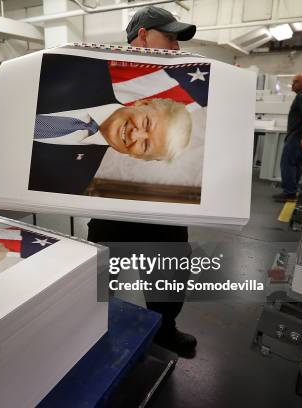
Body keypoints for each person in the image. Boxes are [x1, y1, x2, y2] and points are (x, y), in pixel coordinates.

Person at [88, 6, 198, 358]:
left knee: (171, 267)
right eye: (170, 37)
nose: (176, 47)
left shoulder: (177, 77)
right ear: (143, 36)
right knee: (101, 272)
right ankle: (91, 326)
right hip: (111, 206)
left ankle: (164, 328)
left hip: (163, 204)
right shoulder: (99, 72)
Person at [30, 99, 192, 194]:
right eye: (146, 123)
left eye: (145, 145)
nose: (134, 135)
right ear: (143, 103)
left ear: (137, 157)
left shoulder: (73, 182)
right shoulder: (85, 65)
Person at [273, 73, 302, 202]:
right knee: (296, 164)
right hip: (298, 136)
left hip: (297, 137)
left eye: (296, 81)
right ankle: (292, 190)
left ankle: (290, 193)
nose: (293, 84)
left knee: (288, 164)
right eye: (293, 81)